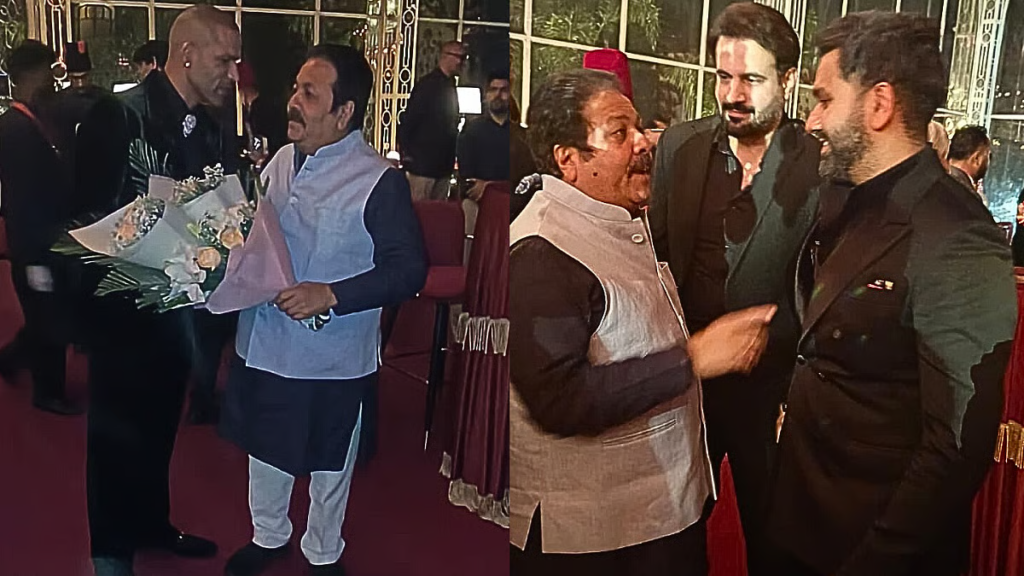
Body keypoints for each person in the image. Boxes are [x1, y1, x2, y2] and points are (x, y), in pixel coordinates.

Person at [768, 12, 1015, 576]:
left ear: (879, 104)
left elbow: (955, 445)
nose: (811, 120)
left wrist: (872, 561)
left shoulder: (957, 235)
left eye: (824, 100)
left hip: (872, 548)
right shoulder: (838, 197)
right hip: (800, 518)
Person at [509, 68, 777, 576]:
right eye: (619, 133)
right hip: (597, 536)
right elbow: (560, 400)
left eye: (639, 127)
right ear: (568, 160)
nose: (644, 142)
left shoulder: (618, 216)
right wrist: (694, 359)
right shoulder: (542, 250)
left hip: (654, 513)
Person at [219, 44, 426, 576]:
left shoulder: (377, 180)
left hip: (331, 357)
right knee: (265, 448)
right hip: (264, 339)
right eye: (296, 88)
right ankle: (268, 535)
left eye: (309, 94)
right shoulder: (281, 160)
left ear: (344, 112)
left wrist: (331, 293)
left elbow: (408, 270)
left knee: (332, 459)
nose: (293, 100)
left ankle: (322, 550)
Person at [648, 4, 820, 573]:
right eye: (724, 77)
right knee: (673, 539)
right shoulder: (680, 147)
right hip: (687, 381)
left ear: (787, 79)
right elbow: (658, 255)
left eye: (751, 79)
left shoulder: (820, 165)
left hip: (771, 394)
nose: (733, 95)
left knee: (774, 546)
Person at [74, 6, 242, 575]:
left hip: (182, 312)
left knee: (160, 425)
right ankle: (109, 549)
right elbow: (88, 217)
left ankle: (150, 523)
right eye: (224, 60)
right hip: (122, 310)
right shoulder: (120, 115)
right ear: (187, 54)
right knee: (114, 433)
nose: (232, 74)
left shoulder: (214, 127)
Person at [0, 40, 81, 415]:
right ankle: (48, 393)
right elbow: (23, 200)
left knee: (46, 316)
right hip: (35, 246)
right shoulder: (14, 128)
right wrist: (34, 255)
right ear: (28, 75)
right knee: (49, 320)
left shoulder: (36, 119)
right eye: (47, 70)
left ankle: (10, 359)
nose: (53, 78)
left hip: (49, 240)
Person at [397, 40, 464, 200]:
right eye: (459, 57)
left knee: (438, 211)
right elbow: (410, 119)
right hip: (424, 165)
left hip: (442, 164)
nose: (462, 62)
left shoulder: (449, 85)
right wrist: (407, 153)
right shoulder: (427, 85)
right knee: (421, 209)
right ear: (446, 56)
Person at [948, 124, 991, 206]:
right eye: (988, 155)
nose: (988, 161)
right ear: (977, 158)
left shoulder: (935, 179)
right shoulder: (968, 196)